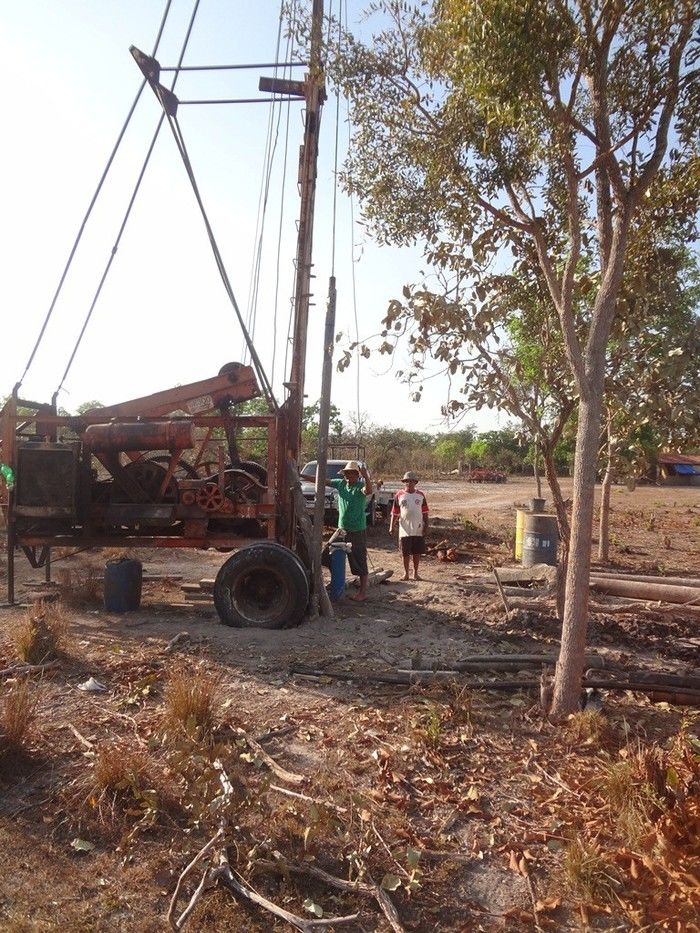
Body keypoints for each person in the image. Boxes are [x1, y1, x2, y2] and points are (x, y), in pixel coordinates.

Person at [301, 459, 372, 601]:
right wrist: (302, 476)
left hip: (356, 530)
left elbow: (368, 490)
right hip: (341, 529)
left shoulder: (360, 486)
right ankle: (337, 581)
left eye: (351, 473)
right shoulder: (340, 484)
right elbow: (321, 481)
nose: (348, 476)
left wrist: (366, 476)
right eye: (346, 473)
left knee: (359, 560)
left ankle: (363, 592)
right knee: (326, 556)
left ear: (357, 475)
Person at [389, 471, 429, 581]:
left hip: (418, 528)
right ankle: (406, 573)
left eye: (411, 481)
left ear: (415, 482)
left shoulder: (420, 495)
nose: (409, 483)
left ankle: (415, 573)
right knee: (405, 552)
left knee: (417, 552)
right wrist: (391, 527)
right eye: (407, 481)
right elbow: (395, 512)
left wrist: (426, 526)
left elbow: (425, 512)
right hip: (404, 529)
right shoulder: (399, 495)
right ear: (404, 482)